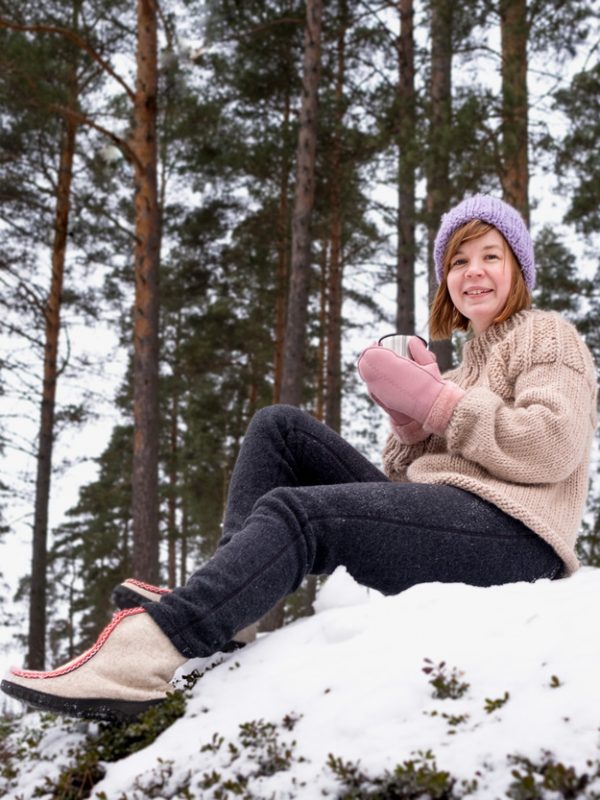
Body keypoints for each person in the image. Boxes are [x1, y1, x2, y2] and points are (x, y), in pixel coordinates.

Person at [2, 195, 597, 722]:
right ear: (446, 282)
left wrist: (442, 406)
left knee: (304, 515)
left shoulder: (546, 336)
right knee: (279, 428)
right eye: (458, 262)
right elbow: (403, 490)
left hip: (516, 538)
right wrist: (410, 421)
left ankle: (139, 659)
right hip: (458, 522)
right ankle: (228, 601)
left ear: (517, 267)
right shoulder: (463, 364)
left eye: (490, 256)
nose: (474, 273)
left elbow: (551, 444)